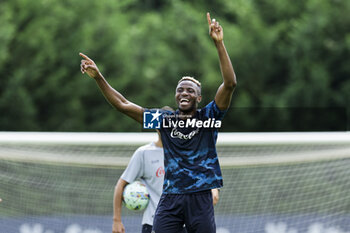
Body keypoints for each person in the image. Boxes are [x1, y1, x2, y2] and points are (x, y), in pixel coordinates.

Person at [80, 12, 236, 233]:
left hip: (200, 197)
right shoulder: (164, 120)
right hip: (171, 197)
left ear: (198, 98)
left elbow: (229, 84)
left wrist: (219, 44)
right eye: (180, 89)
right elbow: (123, 104)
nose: (184, 92)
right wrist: (98, 77)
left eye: (190, 90)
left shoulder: (208, 117)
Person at [112, 131, 220, 233]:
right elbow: (120, 185)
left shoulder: (189, 152)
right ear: (158, 128)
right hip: (153, 222)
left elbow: (208, 182)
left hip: (185, 223)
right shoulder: (144, 153)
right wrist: (117, 220)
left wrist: (212, 190)